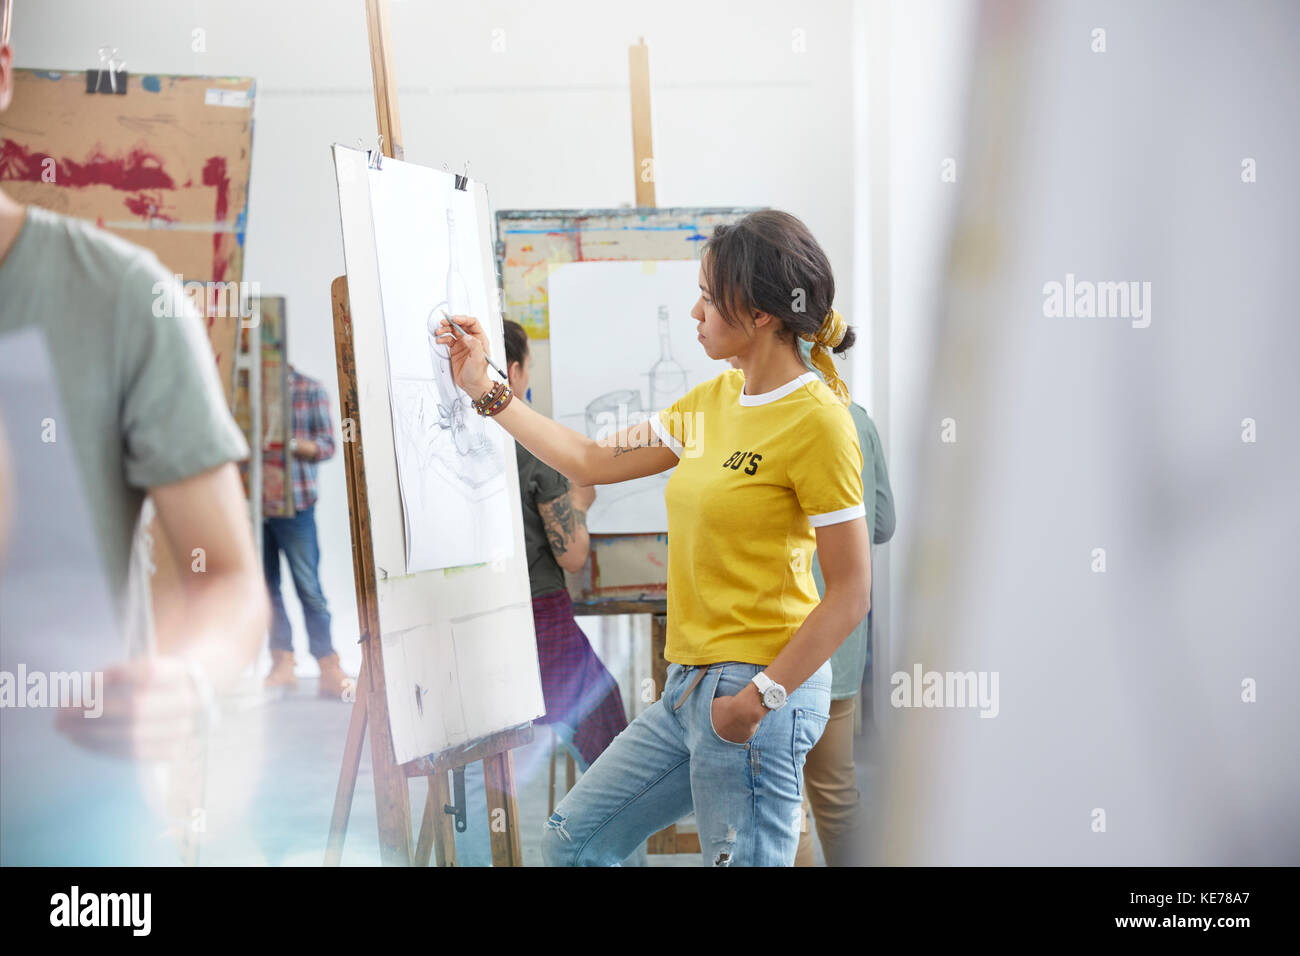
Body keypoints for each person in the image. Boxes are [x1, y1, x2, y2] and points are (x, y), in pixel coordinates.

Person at [435, 209, 872, 866]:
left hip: (755, 690)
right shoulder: (710, 403)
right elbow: (589, 460)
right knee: (570, 844)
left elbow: (851, 591)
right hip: (688, 689)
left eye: (708, 295)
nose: (695, 312)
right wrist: (486, 389)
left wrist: (759, 699)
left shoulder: (818, 423)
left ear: (758, 313)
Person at [0, 0, 268, 762]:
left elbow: (226, 576)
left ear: (2, 74)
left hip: (61, 818)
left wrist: (189, 680)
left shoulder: (121, 300)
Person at [453, 319, 643, 866]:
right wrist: (579, 503)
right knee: (612, 746)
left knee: (479, 762)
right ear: (510, 371)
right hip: (538, 623)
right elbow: (572, 554)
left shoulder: (448, 436)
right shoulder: (532, 440)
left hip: (469, 623)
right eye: (528, 367)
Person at [791, 347, 894, 867]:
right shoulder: (857, 419)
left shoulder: (769, 416)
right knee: (836, 789)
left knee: (787, 803)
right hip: (843, 644)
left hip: (784, 643)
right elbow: (882, 524)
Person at [261, 364, 353, 699]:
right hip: (253, 506)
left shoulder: (308, 388)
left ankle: (328, 664)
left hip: (296, 505)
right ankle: (282, 663)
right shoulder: (240, 391)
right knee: (266, 590)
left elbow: (328, 445)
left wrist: (287, 444)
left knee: (308, 588)